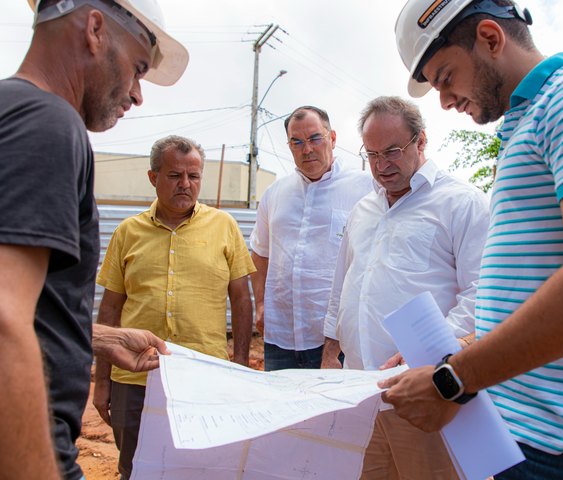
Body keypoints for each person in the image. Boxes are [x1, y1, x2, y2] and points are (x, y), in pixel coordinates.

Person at [383, 0, 563, 478]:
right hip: (523, 435)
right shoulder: (527, 124)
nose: (445, 100)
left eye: (446, 77)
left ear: (491, 39)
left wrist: (450, 380)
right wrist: (462, 349)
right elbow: (537, 282)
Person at [0, 0, 189, 478]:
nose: (137, 93)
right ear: (95, 29)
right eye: (138, 68)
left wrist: (100, 337)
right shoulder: (43, 124)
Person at [322, 96, 489, 479]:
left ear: (421, 141)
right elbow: (343, 285)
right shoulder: (363, 209)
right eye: (372, 154)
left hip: (426, 394)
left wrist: (430, 353)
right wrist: (332, 354)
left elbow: (481, 294)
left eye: (393, 151)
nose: (382, 166)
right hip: (360, 394)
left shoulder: (461, 203)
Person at [94, 134, 255, 479]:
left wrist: (240, 366)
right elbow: (109, 311)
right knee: (135, 468)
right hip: (134, 379)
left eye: (193, 176)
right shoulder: (127, 232)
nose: (185, 184)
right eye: (174, 176)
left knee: (201, 468)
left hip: (205, 377)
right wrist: (102, 382)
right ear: (153, 178)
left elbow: (242, 299)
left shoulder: (224, 227)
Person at [249, 105, 372, 371]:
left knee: (336, 413)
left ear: (333, 138)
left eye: (315, 138)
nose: (307, 149)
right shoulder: (275, 194)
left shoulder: (366, 189)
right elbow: (259, 253)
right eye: (297, 142)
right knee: (283, 411)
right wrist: (260, 303)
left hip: (337, 341)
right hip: (280, 338)